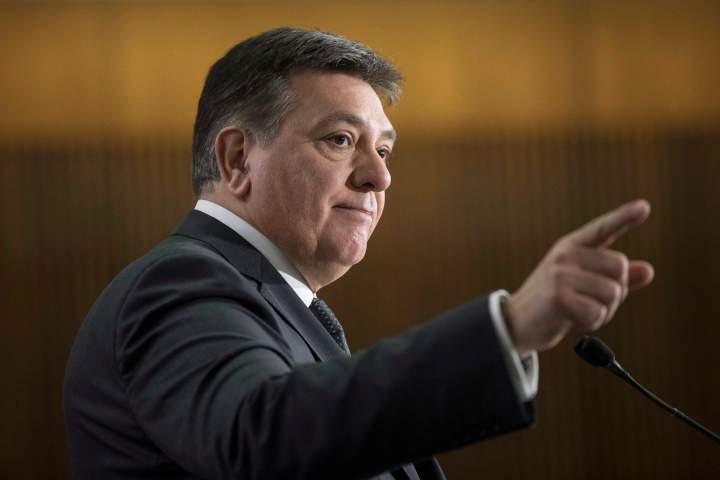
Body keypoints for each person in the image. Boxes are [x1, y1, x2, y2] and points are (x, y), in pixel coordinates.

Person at [62, 27, 654, 479]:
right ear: (238, 159)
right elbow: (262, 434)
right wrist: (511, 326)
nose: (379, 177)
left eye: (384, 150)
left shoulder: (272, 303)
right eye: (340, 140)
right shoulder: (180, 282)